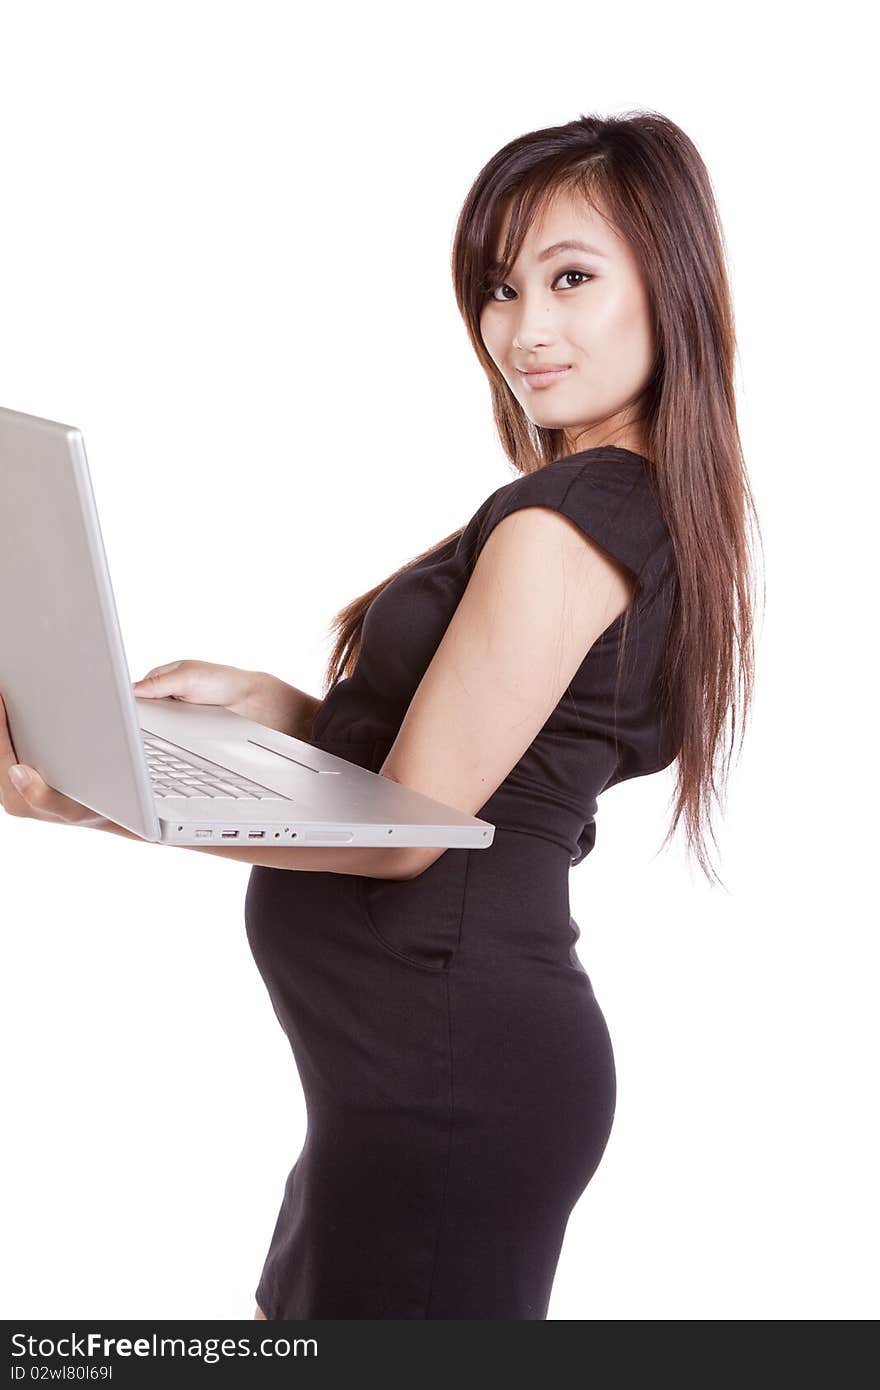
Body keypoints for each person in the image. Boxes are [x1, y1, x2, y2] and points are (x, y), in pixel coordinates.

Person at [0, 110, 760, 1319]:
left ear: (668, 283)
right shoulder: (609, 506)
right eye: (499, 288)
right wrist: (285, 711)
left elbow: (414, 832)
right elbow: (480, 771)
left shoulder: (576, 517)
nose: (523, 328)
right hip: (405, 1080)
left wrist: (107, 804)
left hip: (444, 1083)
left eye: (571, 277)